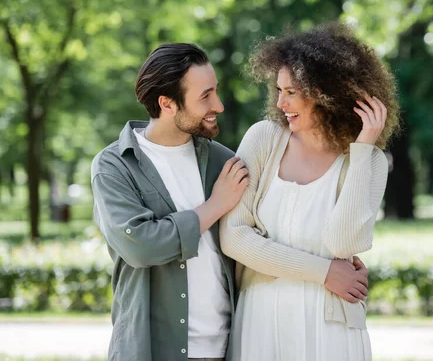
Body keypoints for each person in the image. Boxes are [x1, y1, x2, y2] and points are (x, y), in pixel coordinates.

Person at [91, 42, 372, 361]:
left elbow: (262, 234)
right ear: (167, 103)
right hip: (153, 348)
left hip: (227, 346)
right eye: (205, 96)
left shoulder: (223, 161)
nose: (219, 105)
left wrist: (331, 268)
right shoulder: (115, 165)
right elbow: (140, 246)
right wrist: (215, 206)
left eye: (216, 91)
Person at [220, 22, 400, 361]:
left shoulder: (368, 161)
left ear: (326, 92)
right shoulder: (263, 139)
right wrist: (326, 272)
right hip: (262, 321)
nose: (281, 102)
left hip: (330, 327)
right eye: (278, 90)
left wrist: (362, 149)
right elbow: (233, 237)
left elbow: (343, 243)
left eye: (292, 92)